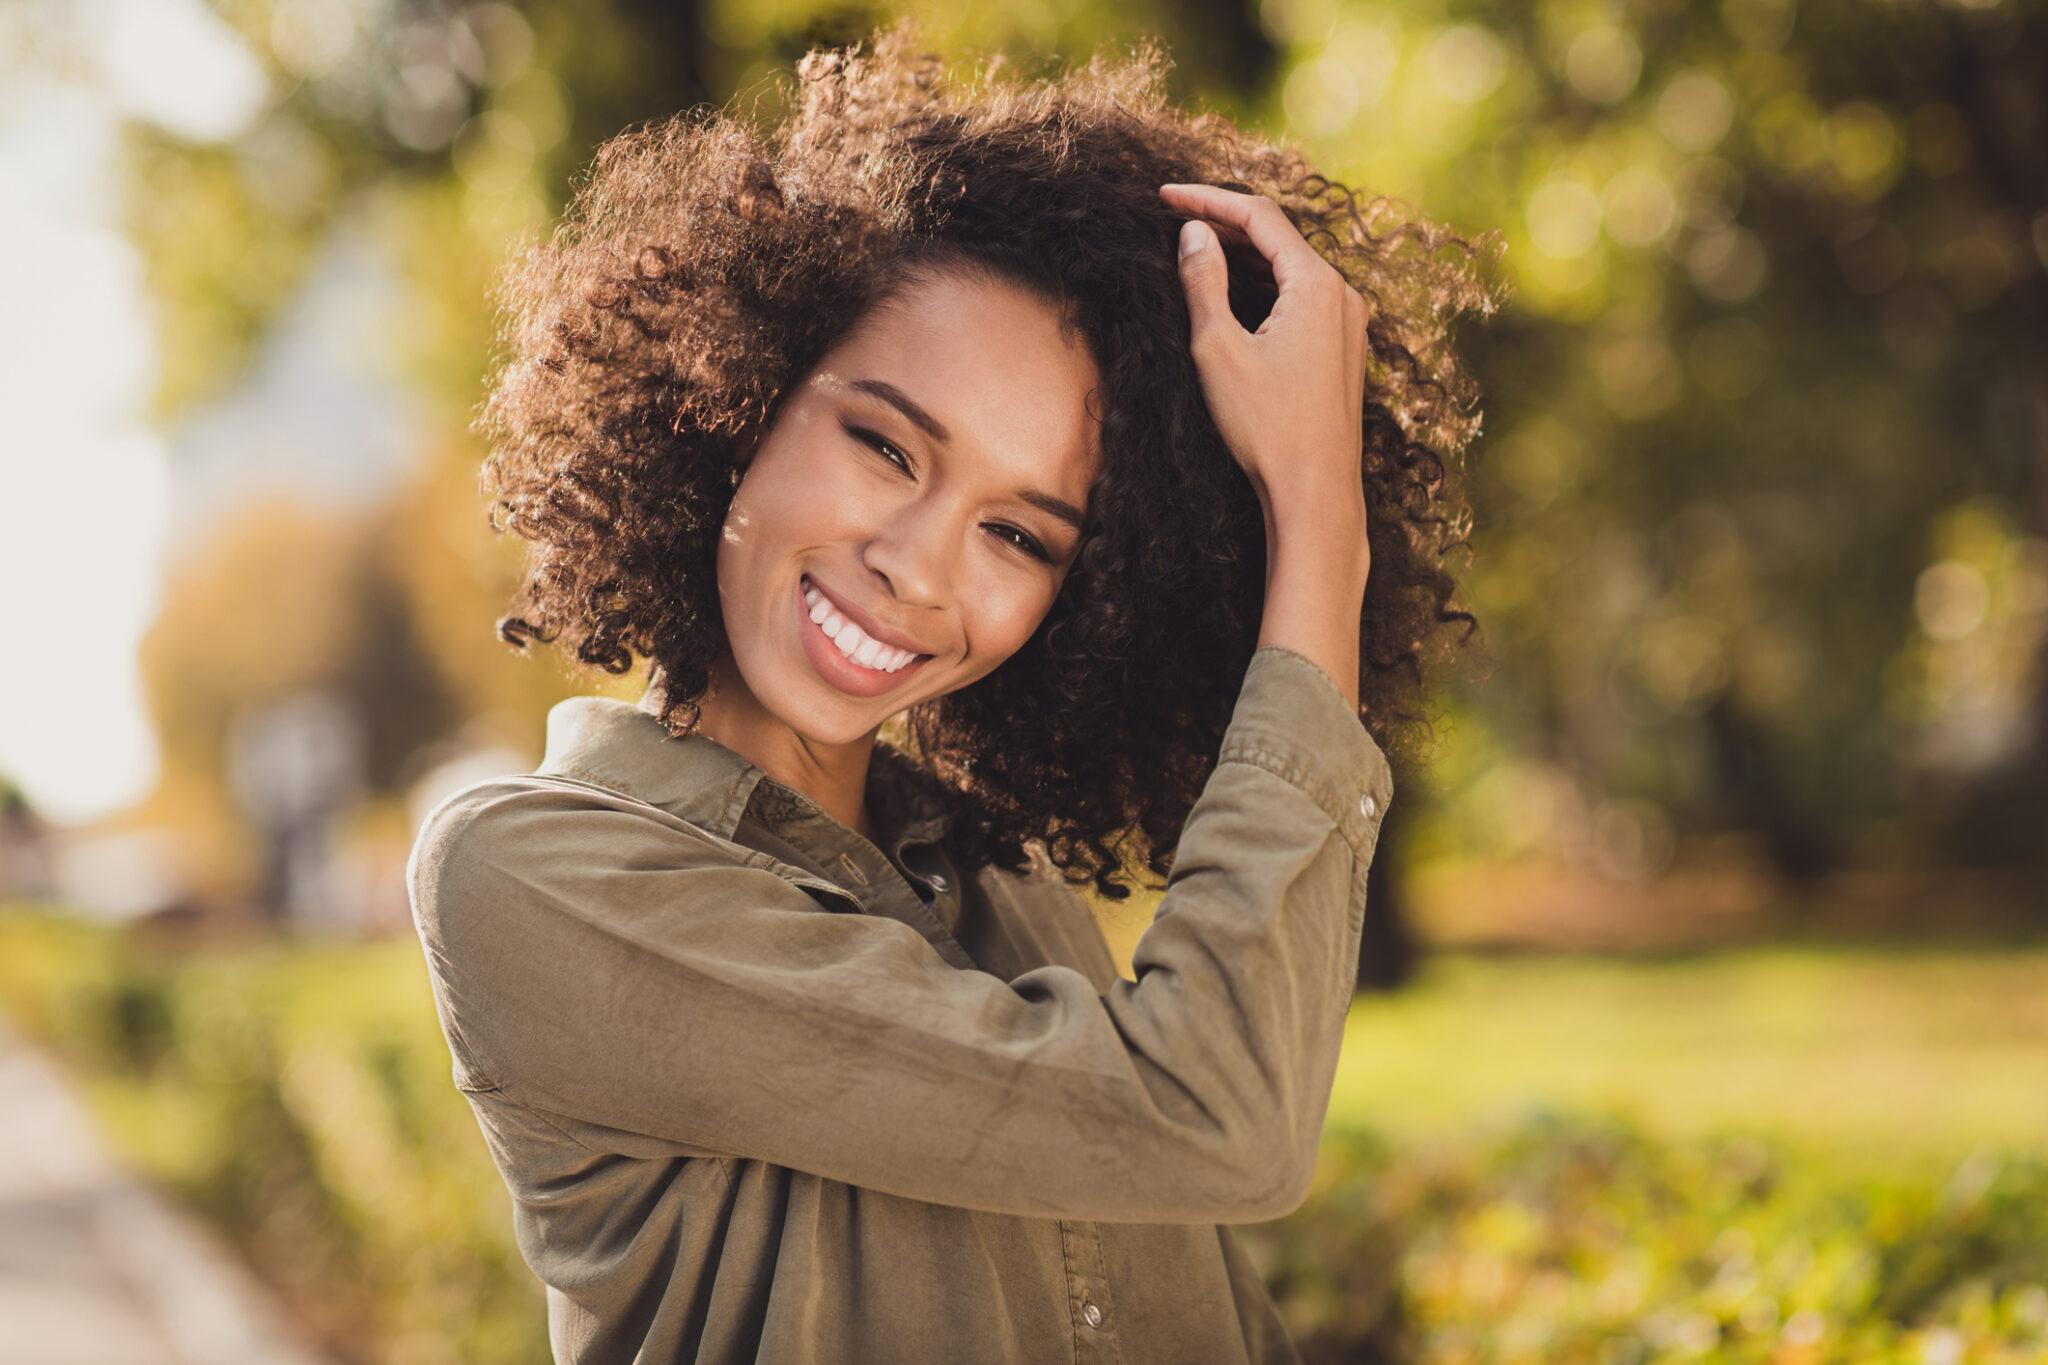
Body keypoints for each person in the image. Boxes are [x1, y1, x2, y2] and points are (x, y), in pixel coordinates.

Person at [409, 25, 1491, 1365]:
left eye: (1021, 535)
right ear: (740, 396)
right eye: (882, 443)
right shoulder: (539, 875)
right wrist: (1316, 517)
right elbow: (1217, 1113)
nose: (918, 570)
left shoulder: (993, 877)